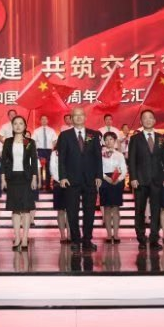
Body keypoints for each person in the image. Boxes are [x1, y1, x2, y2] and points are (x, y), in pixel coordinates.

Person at [56, 107, 102, 252]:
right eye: (75, 115)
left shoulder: (94, 135)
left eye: (81, 115)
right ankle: (75, 240)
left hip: (90, 180)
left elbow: (98, 157)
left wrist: (99, 176)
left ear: (85, 117)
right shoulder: (65, 135)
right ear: (71, 118)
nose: (78, 117)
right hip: (71, 180)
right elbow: (61, 158)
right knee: (72, 212)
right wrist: (62, 177)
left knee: (89, 211)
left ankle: (87, 240)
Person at [127, 109, 164, 251]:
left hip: (157, 180)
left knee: (156, 210)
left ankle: (154, 239)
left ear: (154, 121)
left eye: (150, 117)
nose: (148, 120)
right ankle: (141, 238)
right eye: (145, 118)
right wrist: (133, 177)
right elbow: (131, 160)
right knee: (139, 210)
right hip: (140, 180)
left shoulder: (161, 138)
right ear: (141, 121)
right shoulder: (135, 138)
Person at [1, 116, 37, 250]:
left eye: (21, 123)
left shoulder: (29, 142)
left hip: (26, 177)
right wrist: (3, 178)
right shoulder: (8, 141)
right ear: (12, 126)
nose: (18, 126)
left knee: (26, 209)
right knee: (15, 209)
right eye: (15, 123)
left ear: (25, 126)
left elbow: (34, 161)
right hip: (12, 178)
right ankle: (17, 237)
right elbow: (3, 161)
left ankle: (25, 238)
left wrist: (34, 178)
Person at [99, 131, 127, 244]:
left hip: (117, 181)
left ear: (115, 141)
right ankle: (108, 234)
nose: (108, 141)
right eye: (106, 139)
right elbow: (98, 168)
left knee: (115, 208)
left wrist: (118, 179)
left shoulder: (119, 155)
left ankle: (116, 234)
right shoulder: (100, 154)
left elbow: (124, 169)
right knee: (106, 208)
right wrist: (106, 178)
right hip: (105, 181)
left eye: (111, 139)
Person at [48, 143, 69, 243]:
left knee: (70, 210)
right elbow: (52, 168)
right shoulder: (54, 153)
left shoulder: (72, 151)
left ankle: (70, 234)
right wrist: (60, 180)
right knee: (60, 210)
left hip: (70, 183)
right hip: (58, 183)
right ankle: (63, 235)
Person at [32, 114, 56, 191]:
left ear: (48, 121)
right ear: (40, 121)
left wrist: (53, 150)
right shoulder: (36, 131)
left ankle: (48, 186)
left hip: (49, 151)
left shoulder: (52, 130)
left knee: (49, 168)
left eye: (45, 119)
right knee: (40, 168)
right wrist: (35, 151)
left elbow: (55, 141)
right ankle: (40, 185)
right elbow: (33, 141)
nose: (44, 120)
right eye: (42, 119)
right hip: (40, 150)